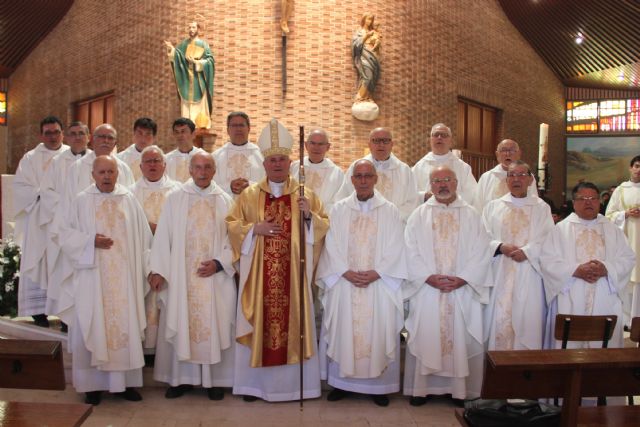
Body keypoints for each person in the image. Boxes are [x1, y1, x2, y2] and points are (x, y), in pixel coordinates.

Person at [225, 119, 329, 402]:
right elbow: (232, 224)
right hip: (259, 278)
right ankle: (253, 386)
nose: (278, 164)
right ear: (265, 164)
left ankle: (296, 387)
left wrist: (309, 217)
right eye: (273, 160)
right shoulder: (249, 195)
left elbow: (322, 228)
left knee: (293, 323)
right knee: (260, 320)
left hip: (293, 278)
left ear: (290, 162)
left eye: (282, 159)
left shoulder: (305, 194)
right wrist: (252, 230)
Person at [58, 155, 152, 405]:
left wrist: (150, 269)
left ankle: (124, 385)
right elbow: (64, 234)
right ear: (93, 174)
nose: (107, 176)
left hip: (124, 279)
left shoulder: (129, 200)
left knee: (124, 326)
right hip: (93, 277)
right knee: (94, 323)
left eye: (111, 171)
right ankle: (92, 386)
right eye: (102, 172)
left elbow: (144, 239)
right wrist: (89, 241)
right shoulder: (81, 201)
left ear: (118, 173)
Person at [317, 159, 407, 407]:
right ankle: (341, 384)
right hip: (346, 283)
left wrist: (378, 272)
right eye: (359, 176)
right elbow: (331, 244)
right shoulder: (339, 209)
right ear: (352, 180)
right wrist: (345, 272)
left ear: (376, 179)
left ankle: (379, 387)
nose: (364, 180)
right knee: (343, 329)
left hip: (378, 284)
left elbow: (397, 245)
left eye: (368, 175)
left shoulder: (390, 210)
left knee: (379, 330)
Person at [150, 152, 236, 401]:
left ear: (214, 171)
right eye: (197, 167)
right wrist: (157, 270)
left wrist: (220, 263)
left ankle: (213, 381)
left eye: (207, 167)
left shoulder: (225, 201)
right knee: (182, 321)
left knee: (213, 325)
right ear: (190, 170)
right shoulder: (176, 198)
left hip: (213, 279)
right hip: (181, 278)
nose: (202, 171)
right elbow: (163, 236)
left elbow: (234, 239)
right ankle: (181, 379)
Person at [403, 166, 491, 406]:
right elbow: (409, 250)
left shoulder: (472, 214)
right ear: (430, 186)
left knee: (459, 337)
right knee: (426, 334)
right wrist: (427, 277)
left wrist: (463, 278)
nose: (442, 184)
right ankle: (422, 390)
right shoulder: (418, 215)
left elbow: (482, 251)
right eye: (436, 181)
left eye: (447, 180)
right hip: (427, 288)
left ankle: (458, 392)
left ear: (456, 182)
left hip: (460, 289)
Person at [541, 182, 635, 349]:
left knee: (603, 348)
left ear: (599, 202)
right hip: (570, 294)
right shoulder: (560, 230)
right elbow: (547, 260)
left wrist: (606, 268)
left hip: (604, 294)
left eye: (593, 198)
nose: (588, 202)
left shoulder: (612, 229)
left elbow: (628, 258)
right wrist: (575, 270)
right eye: (583, 198)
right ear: (574, 203)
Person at [482, 161, 554, 351]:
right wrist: (499, 246)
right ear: (506, 180)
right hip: (500, 271)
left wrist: (528, 251)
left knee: (528, 318)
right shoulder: (493, 207)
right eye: (512, 175)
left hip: (529, 271)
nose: (516, 179)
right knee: (499, 317)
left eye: (522, 175)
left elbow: (548, 239)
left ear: (531, 180)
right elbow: (482, 236)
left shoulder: (541, 208)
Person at [13, 116, 69, 327]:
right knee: (38, 261)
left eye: (56, 132)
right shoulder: (30, 158)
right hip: (38, 222)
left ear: (62, 133)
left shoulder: (70, 156)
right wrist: (44, 197)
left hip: (63, 220)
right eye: (48, 132)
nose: (53, 136)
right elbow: (21, 187)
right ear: (40, 135)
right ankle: (38, 312)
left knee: (62, 265)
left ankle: (65, 313)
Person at [41, 121, 91, 325]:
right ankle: (68, 320)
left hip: (91, 227)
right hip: (68, 227)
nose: (78, 137)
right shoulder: (57, 161)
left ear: (88, 136)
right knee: (67, 273)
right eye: (73, 134)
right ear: (67, 138)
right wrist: (67, 211)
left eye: (82, 133)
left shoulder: (98, 160)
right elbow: (47, 192)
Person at [129, 146, 179, 349]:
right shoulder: (130, 193)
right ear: (140, 166)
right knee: (144, 297)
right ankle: (145, 347)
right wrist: (147, 227)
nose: (152, 165)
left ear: (165, 165)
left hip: (170, 253)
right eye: (148, 162)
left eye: (156, 161)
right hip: (140, 253)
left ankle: (164, 348)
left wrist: (164, 229)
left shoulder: (178, 190)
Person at [339, 127, 418, 222]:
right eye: (376, 141)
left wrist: (389, 217)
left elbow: (412, 201)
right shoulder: (356, 168)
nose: (381, 145)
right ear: (369, 145)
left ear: (392, 144)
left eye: (385, 141)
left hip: (392, 224)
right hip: (362, 222)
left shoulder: (404, 170)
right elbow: (344, 196)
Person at [606, 156, 640, 327]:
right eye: (636, 166)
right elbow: (609, 216)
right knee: (629, 279)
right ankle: (628, 320)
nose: (638, 170)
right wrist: (625, 214)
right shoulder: (621, 190)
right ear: (630, 168)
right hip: (628, 240)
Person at [164, 21, 215, 129]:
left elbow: (210, 61)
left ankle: (199, 124)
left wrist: (198, 63)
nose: (191, 30)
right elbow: (178, 56)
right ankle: (187, 125)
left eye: (193, 27)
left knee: (200, 104)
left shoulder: (203, 44)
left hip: (198, 80)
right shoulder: (183, 44)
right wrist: (172, 50)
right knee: (186, 105)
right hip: (186, 80)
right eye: (189, 27)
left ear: (198, 29)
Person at [412, 123, 477, 206]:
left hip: (455, 214)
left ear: (450, 141)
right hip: (428, 214)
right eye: (436, 135)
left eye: (444, 135)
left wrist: (451, 198)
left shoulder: (463, 168)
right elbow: (409, 194)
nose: (439, 137)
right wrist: (424, 196)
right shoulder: (419, 167)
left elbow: (473, 194)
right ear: (430, 140)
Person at [290, 128, 345, 214]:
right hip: (295, 218)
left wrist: (313, 216)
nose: (316, 147)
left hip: (322, 222)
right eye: (312, 143)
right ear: (306, 145)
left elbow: (339, 203)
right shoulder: (294, 167)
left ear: (328, 147)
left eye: (320, 144)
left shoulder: (337, 174)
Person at [474, 139, 537, 211]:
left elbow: (534, 203)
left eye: (512, 150)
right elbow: (478, 206)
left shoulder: (527, 177)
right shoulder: (486, 178)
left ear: (519, 154)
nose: (507, 154)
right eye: (503, 150)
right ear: (497, 154)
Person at [212, 112, 265, 197]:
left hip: (253, 206)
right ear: (228, 130)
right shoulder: (215, 157)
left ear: (249, 129)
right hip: (226, 207)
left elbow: (270, 183)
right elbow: (209, 185)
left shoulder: (262, 156)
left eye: (241, 125)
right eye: (234, 125)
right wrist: (229, 187)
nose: (238, 129)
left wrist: (251, 186)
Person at [351, 14, 381, 103]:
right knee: (367, 76)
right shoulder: (359, 32)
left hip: (373, 55)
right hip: (364, 55)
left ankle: (367, 96)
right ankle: (359, 97)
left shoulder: (374, 32)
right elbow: (355, 44)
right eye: (368, 19)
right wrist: (366, 36)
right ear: (364, 20)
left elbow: (377, 43)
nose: (370, 22)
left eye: (371, 20)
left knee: (372, 76)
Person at [165, 117, 205, 183]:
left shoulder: (203, 157)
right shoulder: (167, 159)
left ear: (193, 134)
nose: (180, 135)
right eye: (177, 132)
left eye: (183, 131)